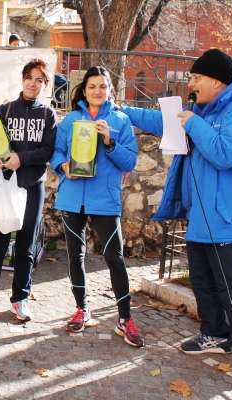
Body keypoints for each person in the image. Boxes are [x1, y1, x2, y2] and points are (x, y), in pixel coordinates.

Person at [120, 49, 232, 378]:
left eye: (196, 78)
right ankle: (215, 333)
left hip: (225, 218)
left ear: (217, 81)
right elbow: (160, 121)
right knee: (203, 281)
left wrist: (196, 123)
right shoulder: (196, 110)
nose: (190, 82)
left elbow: (225, 153)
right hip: (199, 216)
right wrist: (121, 111)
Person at [50, 66, 144, 347]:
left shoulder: (121, 121)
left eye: (103, 86)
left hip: (104, 200)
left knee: (115, 258)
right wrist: (63, 165)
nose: (97, 91)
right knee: (75, 256)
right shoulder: (70, 121)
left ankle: (124, 319)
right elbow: (56, 152)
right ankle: (82, 309)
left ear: (110, 90)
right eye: (92, 86)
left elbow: (129, 162)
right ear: (84, 90)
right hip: (71, 198)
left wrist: (109, 141)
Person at [0, 59, 57, 323]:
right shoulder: (6, 110)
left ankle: (20, 299)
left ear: (45, 84)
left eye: (39, 80)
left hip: (32, 186)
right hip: (4, 185)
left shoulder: (48, 114)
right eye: (29, 78)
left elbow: (47, 150)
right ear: (22, 80)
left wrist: (23, 158)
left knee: (25, 246)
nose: (33, 83)